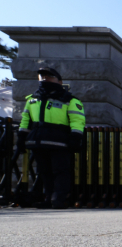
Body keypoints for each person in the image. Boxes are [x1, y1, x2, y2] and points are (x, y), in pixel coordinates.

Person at [17, 67, 85, 209]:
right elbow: (25, 120)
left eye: (49, 76)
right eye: (42, 76)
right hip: (38, 141)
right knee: (44, 172)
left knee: (61, 171)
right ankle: (49, 198)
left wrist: (75, 138)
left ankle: (58, 199)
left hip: (60, 142)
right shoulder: (32, 100)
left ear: (59, 81)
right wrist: (21, 138)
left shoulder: (70, 100)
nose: (45, 78)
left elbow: (77, 121)